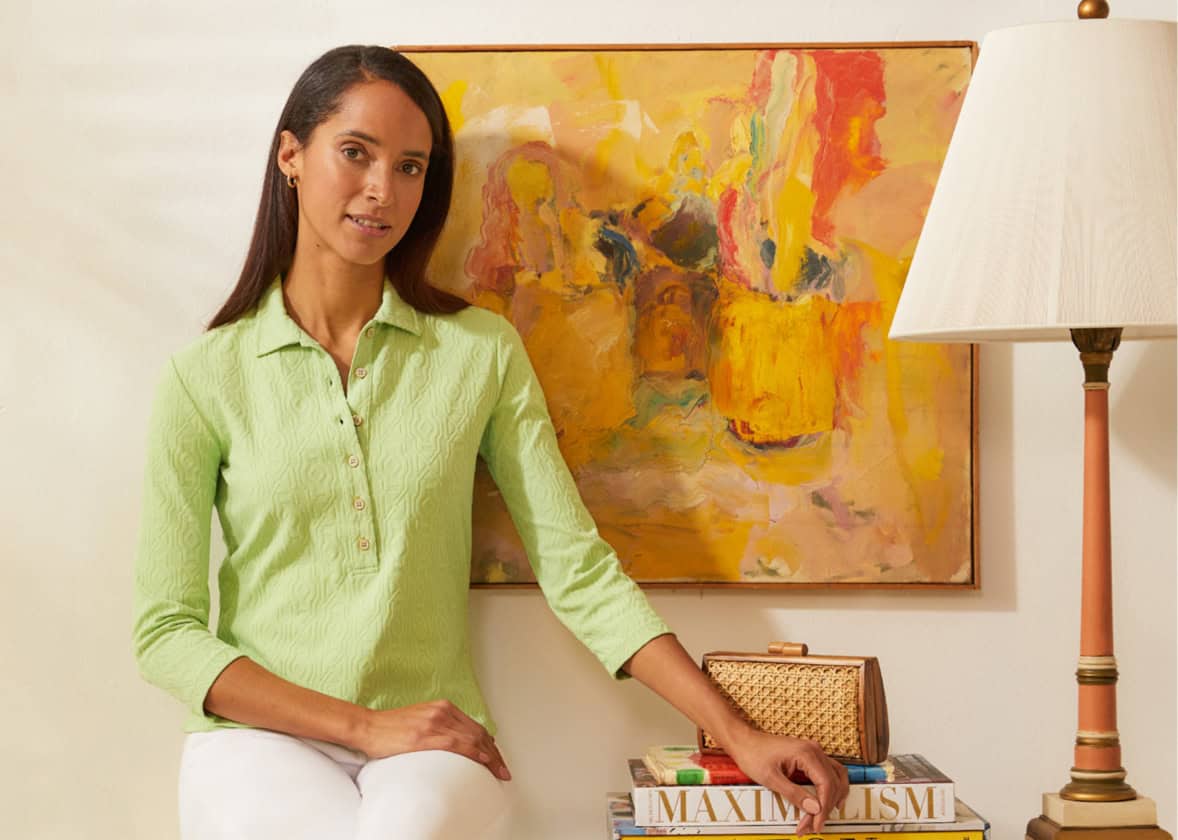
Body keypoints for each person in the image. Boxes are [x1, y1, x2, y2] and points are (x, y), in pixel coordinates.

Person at [132, 44, 849, 840]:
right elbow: (165, 632)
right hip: (257, 740)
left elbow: (578, 569)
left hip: (433, 739)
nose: (382, 191)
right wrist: (362, 726)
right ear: (291, 155)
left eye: (411, 168)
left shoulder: (478, 352)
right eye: (356, 153)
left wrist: (739, 734)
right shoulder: (203, 376)